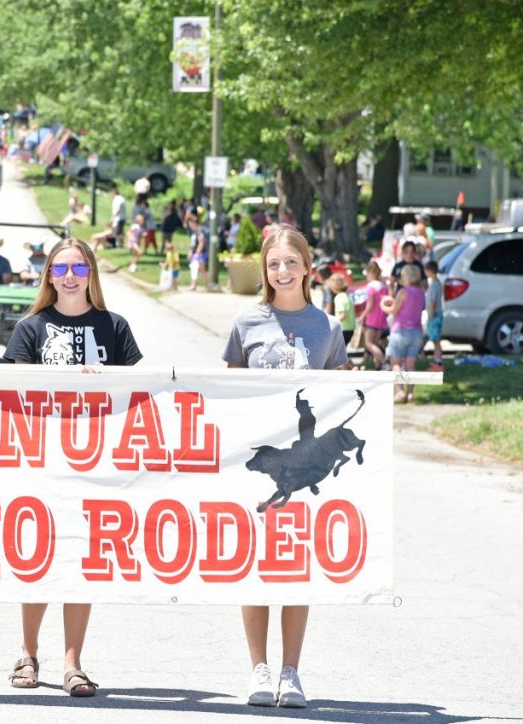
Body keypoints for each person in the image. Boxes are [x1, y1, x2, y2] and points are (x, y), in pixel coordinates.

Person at [3, 237, 142, 697]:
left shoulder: (114, 327)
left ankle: (72, 662)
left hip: (96, 462)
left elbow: (137, 394)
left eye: (79, 269)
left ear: (91, 275)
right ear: (48, 275)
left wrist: (107, 384)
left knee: (82, 559)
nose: (69, 277)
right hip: (42, 458)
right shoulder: (30, 328)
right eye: (60, 269)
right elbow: (14, 396)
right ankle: (27, 653)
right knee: (39, 555)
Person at [222, 225, 350, 710]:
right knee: (255, 565)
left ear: (307, 268)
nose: (282, 271)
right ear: (264, 270)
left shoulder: (327, 327)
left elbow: (337, 397)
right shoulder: (246, 323)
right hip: (261, 467)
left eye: (291, 263)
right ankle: (258, 668)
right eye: (274, 264)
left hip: (306, 467)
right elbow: (229, 392)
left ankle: (291, 672)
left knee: (298, 567)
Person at [384, 264, 426, 403]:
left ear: (406, 277)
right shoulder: (421, 293)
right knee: (411, 364)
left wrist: (384, 306)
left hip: (400, 331)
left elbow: (394, 310)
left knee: (395, 363)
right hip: (416, 332)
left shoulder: (403, 292)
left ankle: (400, 391)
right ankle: (410, 394)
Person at [357, 261, 388, 370]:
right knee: (375, 342)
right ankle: (378, 365)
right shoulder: (383, 286)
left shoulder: (371, 286)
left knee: (369, 344)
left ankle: (384, 362)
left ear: (370, 273)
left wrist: (362, 316)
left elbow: (370, 305)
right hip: (381, 318)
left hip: (372, 318)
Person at [423, 261, 444, 371]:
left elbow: (433, 302)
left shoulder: (435, 285)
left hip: (434, 315)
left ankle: (438, 363)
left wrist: (431, 315)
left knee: (436, 340)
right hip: (436, 314)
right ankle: (437, 361)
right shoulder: (436, 283)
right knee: (435, 340)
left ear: (429, 271)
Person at [330, 274, 356, 345]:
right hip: (350, 329)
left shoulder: (339, 297)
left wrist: (331, 322)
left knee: (336, 350)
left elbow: (342, 315)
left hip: (343, 329)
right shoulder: (346, 295)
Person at [187, 217, 209, 290]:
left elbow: (201, 242)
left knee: (197, 268)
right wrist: (190, 251)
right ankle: (205, 284)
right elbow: (193, 243)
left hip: (200, 253)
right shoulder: (194, 231)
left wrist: (197, 253)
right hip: (195, 253)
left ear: (194, 223)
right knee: (198, 268)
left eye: (190, 223)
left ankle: (195, 285)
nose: (189, 225)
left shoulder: (199, 230)